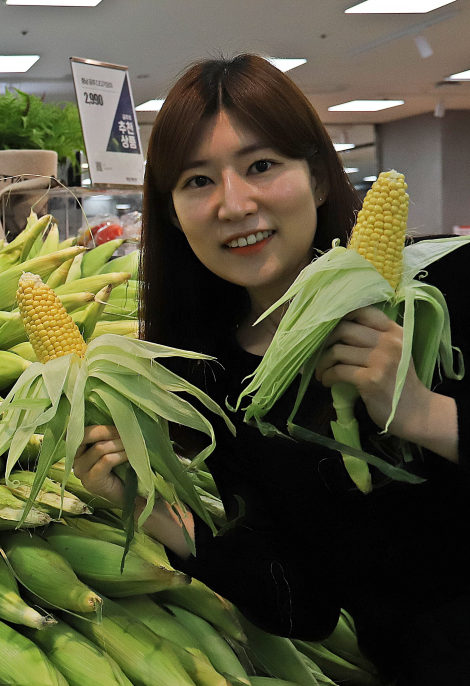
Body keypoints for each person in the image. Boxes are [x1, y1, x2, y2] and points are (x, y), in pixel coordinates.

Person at [74, 55, 467, 685]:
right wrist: (149, 510)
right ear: (173, 213)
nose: (234, 204)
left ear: (315, 178)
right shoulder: (204, 382)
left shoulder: (444, 288)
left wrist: (424, 413)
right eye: (197, 181)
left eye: (261, 166)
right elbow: (301, 604)